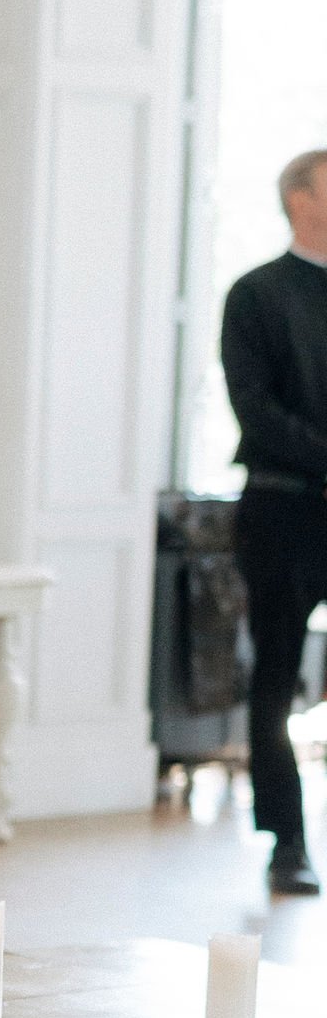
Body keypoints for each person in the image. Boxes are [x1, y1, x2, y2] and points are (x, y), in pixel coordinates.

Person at [221, 147, 327, 895]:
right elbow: (254, 407)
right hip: (282, 507)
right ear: (299, 200)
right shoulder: (255, 294)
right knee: (278, 674)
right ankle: (287, 842)